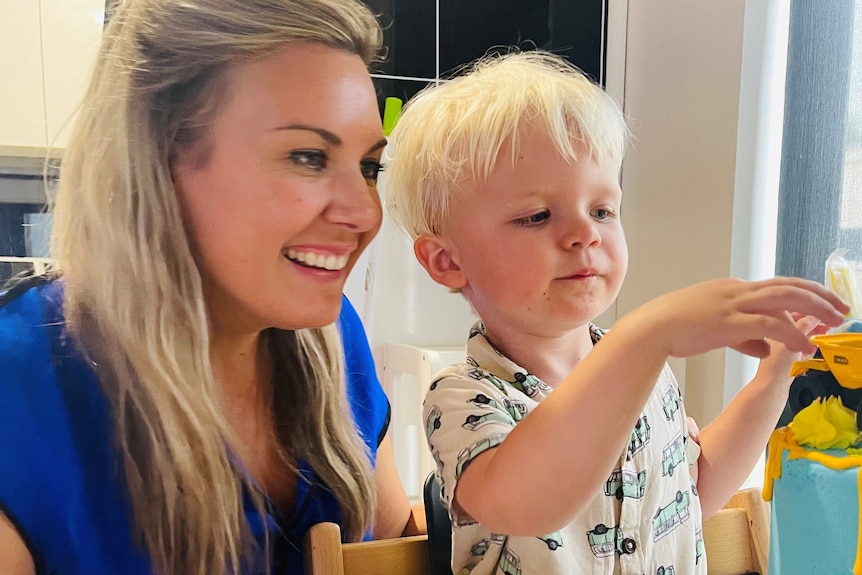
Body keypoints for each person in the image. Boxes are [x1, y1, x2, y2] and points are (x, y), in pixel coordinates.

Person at [0, 1, 425, 574]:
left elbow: (387, 543)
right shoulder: (23, 390)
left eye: (369, 167)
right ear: (159, 156)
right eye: (307, 156)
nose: (364, 213)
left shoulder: (329, 335)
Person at [384, 51, 848, 574]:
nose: (586, 232)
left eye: (602, 209)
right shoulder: (465, 396)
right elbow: (526, 501)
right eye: (537, 215)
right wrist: (647, 336)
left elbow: (689, 497)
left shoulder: (649, 377)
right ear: (447, 260)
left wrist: (774, 377)